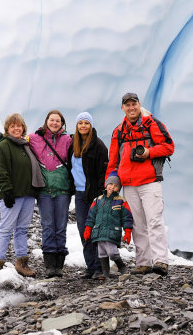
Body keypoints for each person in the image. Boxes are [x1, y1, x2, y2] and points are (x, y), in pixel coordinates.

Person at [106, 92, 174, 276]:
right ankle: (143, 262)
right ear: (123, 108)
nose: (131, 107)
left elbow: (169, 146)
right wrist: (111, 182)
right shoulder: (119, 131)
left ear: (138, 105)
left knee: (154, 220)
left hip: (150, 181)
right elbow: (113, 162)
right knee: (137, 224)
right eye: (127, 105)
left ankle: (160, 261)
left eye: (134, 104)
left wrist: (148, 153)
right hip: (129, 184)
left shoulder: (151, 124)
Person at [0, 113, 45, 277]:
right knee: (6, 229)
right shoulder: (3, 147)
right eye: (13, 126)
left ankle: (21, 263)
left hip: (27, 194)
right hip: (11, 195)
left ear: (23, 128)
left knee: (22, 229)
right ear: (7, 129)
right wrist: (6, 191)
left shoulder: (25, 146)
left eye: (19, 125)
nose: (16, 128)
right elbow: (1, 172)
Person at [27, 110, 72, 278]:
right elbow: (17, 142)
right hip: (45, 190)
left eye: (58, 121)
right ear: (46, 121)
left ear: (62, 124)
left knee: (60, 227)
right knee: (47, 227)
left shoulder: (67, 140)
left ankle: (59, 266)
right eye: (52, 120)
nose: (54, 123)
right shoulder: (34, 138)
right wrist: (0, 140)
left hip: (63, 190)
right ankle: (49, 266)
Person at [67, 112, 108, 279]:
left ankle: (100, 269)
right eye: (80, 123)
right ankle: (91, 267)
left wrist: (100, 194)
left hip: (94, 195)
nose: (83, 126)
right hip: (79, 194)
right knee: (84, 231)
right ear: (76, 126)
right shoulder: (73, 145)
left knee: (96, 232)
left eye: (86, 123)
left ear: (91, 125)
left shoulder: (98, 145)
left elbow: (103, 172)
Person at [83, 173, 133, 279]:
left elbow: (127, 217)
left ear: (119, 189)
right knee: (102, 253)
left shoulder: (121, 201)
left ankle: (121, 266)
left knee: (112, 252)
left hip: (112, 232)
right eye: (110, 184)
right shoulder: (97, 200)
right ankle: (106, 274)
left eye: (116, 186)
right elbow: (91, 216)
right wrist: (88, 229)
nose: (112, 187)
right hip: (99, 232)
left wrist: (127, 231)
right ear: (106, 185)